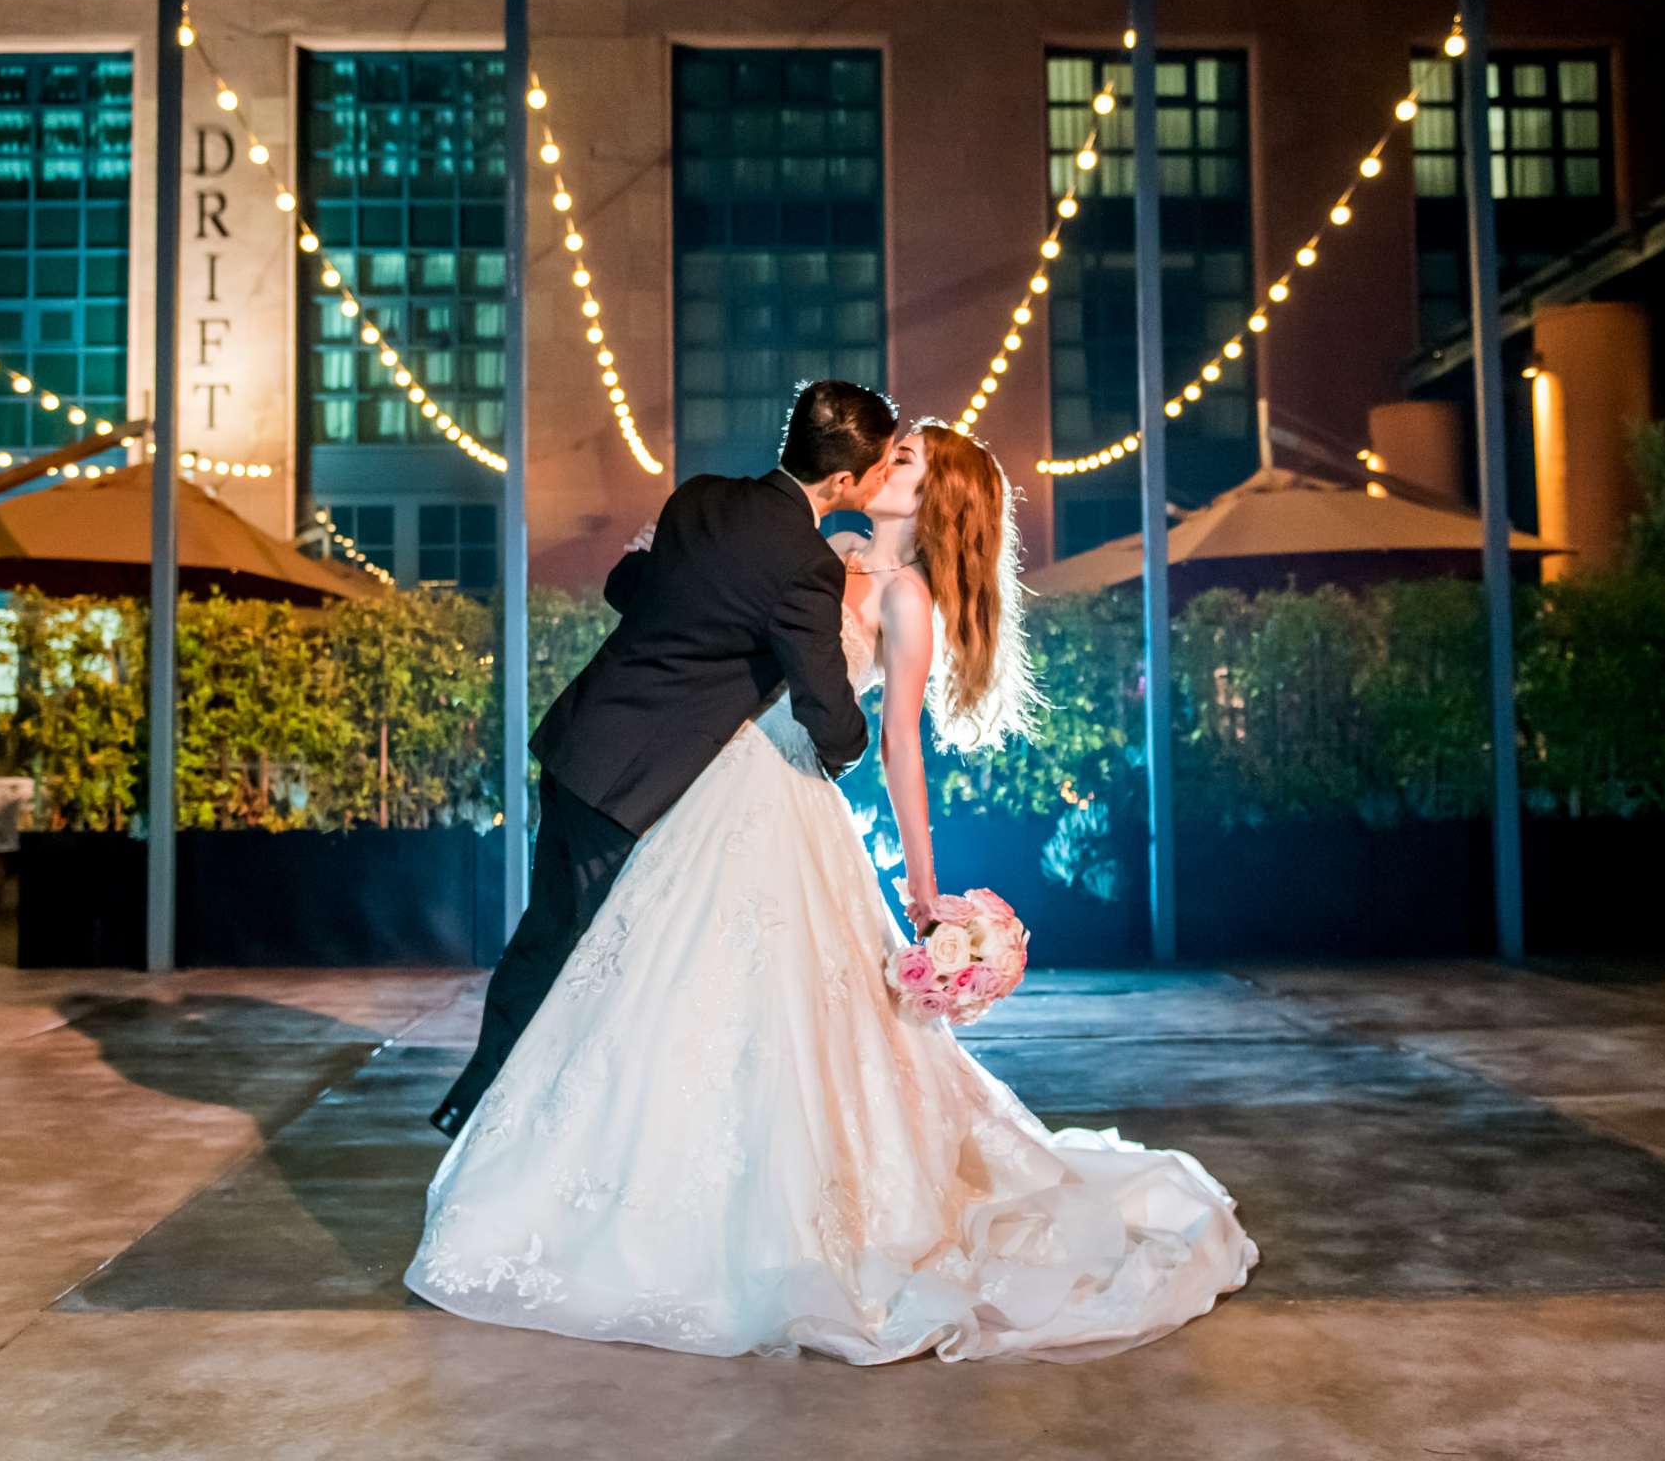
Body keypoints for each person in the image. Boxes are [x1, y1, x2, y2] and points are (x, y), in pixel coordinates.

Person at [405, 415, 1258, 1363]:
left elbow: (895, 749)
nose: (891, 461)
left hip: (793, 809)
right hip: (700, 790)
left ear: (935, 498)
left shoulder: (906, 599)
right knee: (649, 993)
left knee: (794, 1022)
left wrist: (927, 892)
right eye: (891, 451)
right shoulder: (803, 544)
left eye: (911, 460)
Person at [428, 379, 900, 1139]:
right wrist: (846, 755)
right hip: (630, 780)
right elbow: (821, 697)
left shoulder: (701, 497)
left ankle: (480, 1098)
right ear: (843, 482)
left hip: (582, 740)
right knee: (590, 953)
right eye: (879, 468)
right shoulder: (805, 563)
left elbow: (639, 584)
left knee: (549, 934)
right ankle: (498, 1119)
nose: (883, 479)